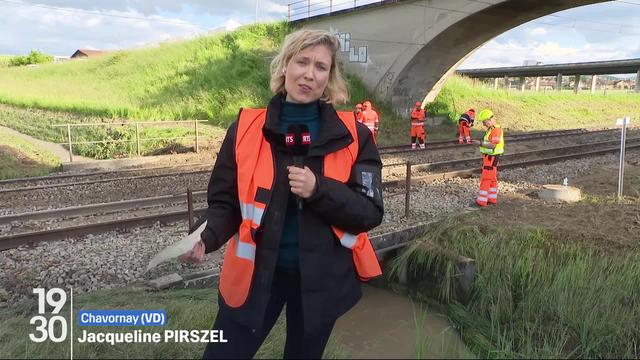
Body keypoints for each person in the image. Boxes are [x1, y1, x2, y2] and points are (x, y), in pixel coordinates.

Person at [180, 29, 384, 359]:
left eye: (320, 66)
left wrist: (319, 190)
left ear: (329, 77)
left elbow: (369, 211)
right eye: (302, 61)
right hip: (255, 274)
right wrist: (206, 236)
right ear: (285, 66)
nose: (309, 73)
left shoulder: (355, 136)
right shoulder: (246, 128)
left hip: (320, 281)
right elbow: (225, 202)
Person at [472, 109, 504, 206]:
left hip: (491, 158)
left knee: (485, 179)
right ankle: (492, 198)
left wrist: (480, 143)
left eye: (484, 122)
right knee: (492, 179)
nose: (483, 124)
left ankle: (481, 201)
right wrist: (481, 143)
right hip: (491, 157)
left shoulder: (496, 130)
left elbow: (493, 145)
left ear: (489, 120)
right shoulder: (491, 129)